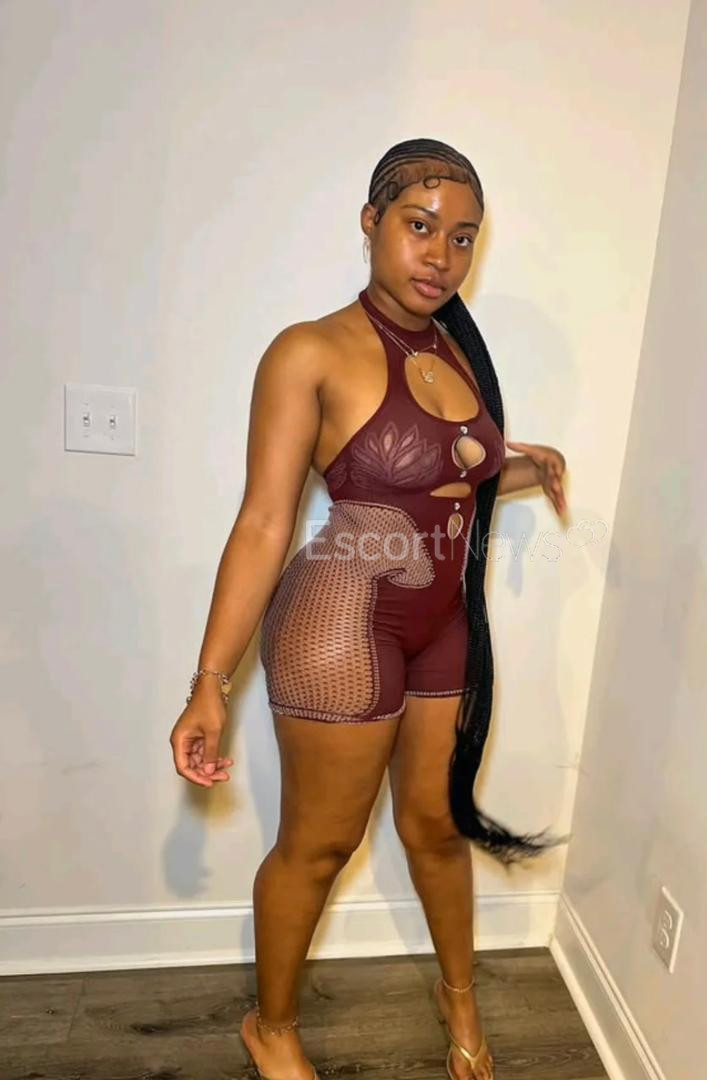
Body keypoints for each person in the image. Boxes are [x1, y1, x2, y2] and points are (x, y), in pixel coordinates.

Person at [169, 138, 569, 1080]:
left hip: (442, 628)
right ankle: (271, 1027)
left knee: (436, 824)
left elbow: (444, 477)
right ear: (371, 222)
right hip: (339, 626)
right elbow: (264, 522)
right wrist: (209, 681)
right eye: (419, 225)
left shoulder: (456, 349)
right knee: (321, 845)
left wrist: (524, 466)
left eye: (463, 237)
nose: (441, 254)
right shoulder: (310, 351)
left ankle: (457, 994)